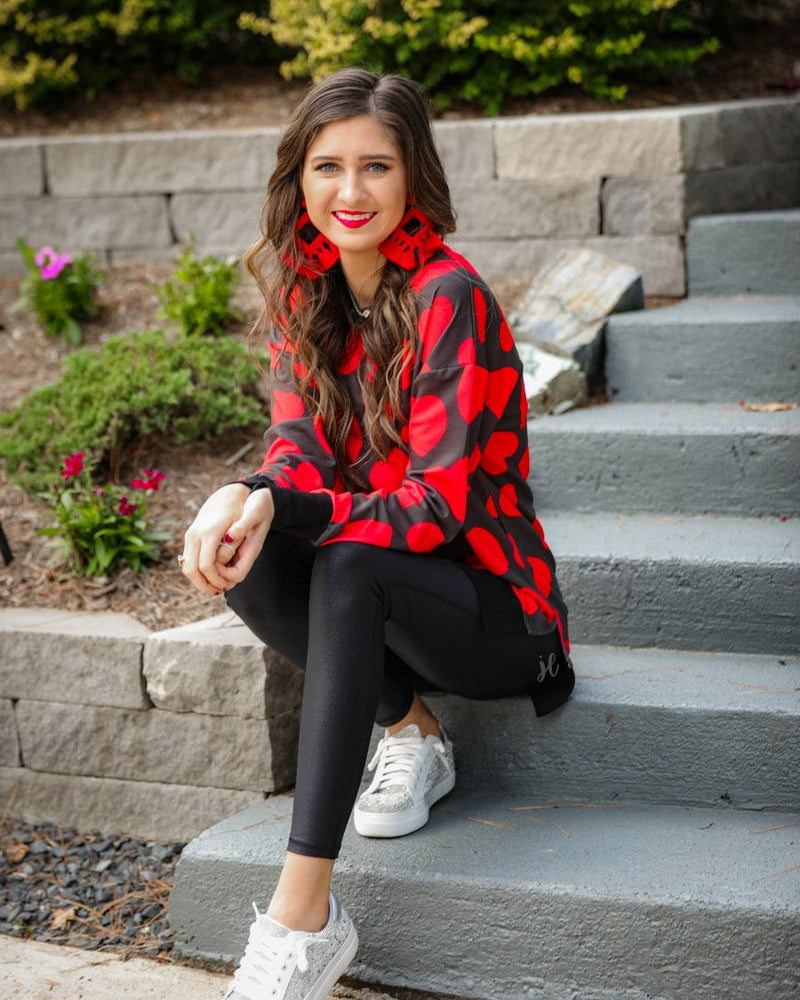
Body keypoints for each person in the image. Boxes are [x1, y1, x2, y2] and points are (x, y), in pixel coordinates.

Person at [179, 67, 574, 1000]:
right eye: (328, 167)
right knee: (249, 548)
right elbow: (296, 453)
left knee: (351, 556)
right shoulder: (305, 293)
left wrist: (296, 506)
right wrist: (243, 494)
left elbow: (435, 508)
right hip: (387, 606)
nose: (350, 192)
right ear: (299, 179)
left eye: (375, 167)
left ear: (412, 177)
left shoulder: (449, 295)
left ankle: (302, 919)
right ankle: (410, 726)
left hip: (501, 618)